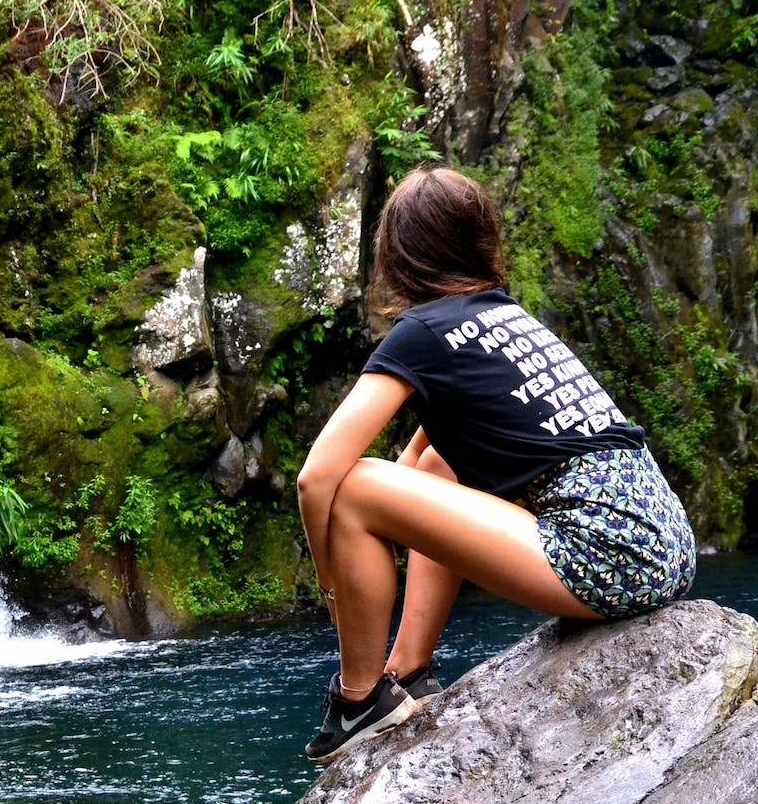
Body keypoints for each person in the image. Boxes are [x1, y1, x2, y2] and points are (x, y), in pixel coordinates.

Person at [295, 166, 696, 763]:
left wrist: (330, 576)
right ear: (480, 240)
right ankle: (406, 673)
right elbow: (419, 469)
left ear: (398, 252)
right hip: (662, 544)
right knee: (435, 465)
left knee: (355, 485)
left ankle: (358, 701)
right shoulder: (503, 318)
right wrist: (388, 528)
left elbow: (317, 477)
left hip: (609, 556)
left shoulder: (423, 330)